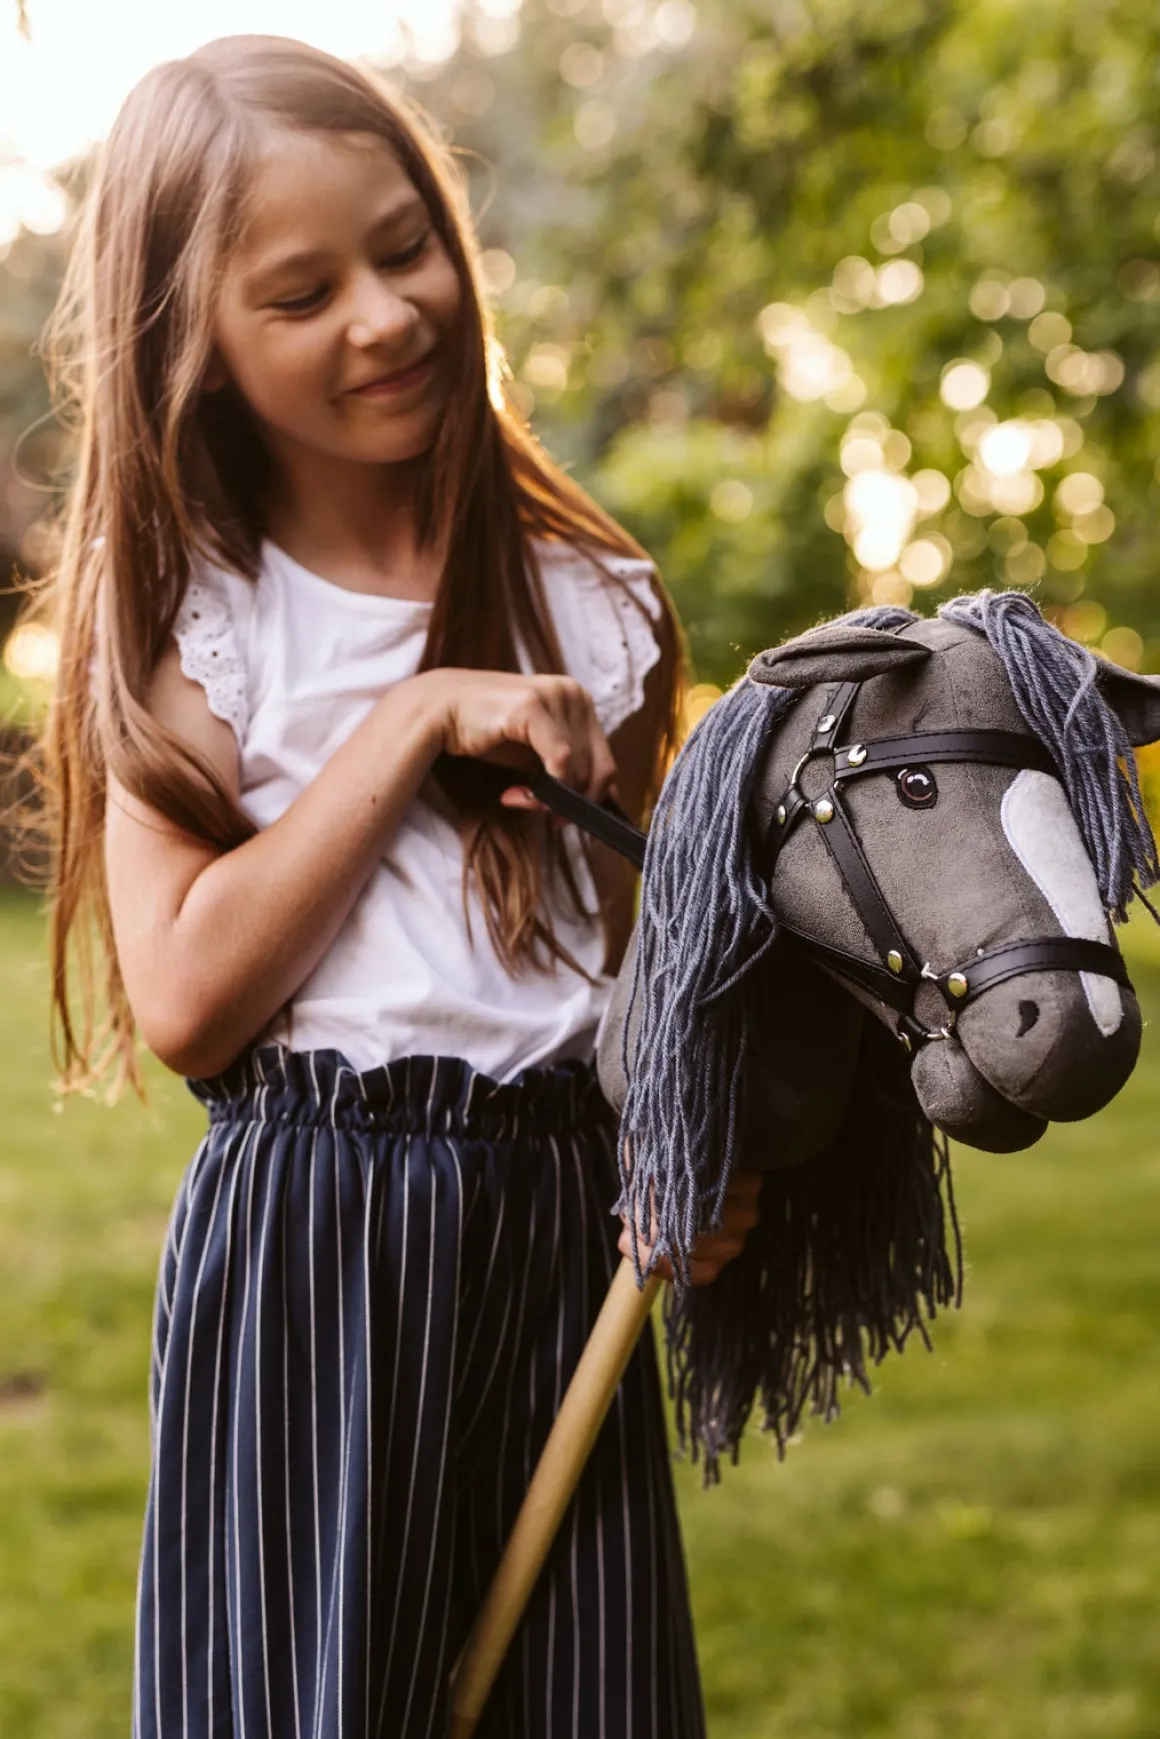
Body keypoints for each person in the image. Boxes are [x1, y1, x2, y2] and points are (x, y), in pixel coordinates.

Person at [35, 35, 760, 1739]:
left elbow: (627, 972)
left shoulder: (597, 595)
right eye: (301, 293)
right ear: (191, 348)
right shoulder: (194, 618)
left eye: (405, 244)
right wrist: (420, 712)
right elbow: (192, 998)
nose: (385, 313)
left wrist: (689, 1153)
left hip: (565, 1231)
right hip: (319, 1237)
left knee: (592, 1707)